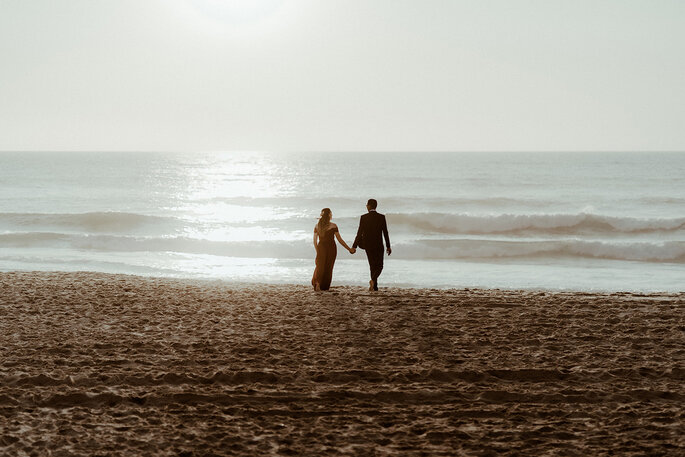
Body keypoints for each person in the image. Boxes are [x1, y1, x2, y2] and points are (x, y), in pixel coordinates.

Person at [351, 199, 391, 291]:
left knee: (372, 265)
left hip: (368, 245)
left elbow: (359, 233)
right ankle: (373, 282)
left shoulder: (364, 217)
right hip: (378, 245)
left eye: (367, 205)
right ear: (375, 206)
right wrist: (388, 246)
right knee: (380, 265)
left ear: (369, 206)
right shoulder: (381, 217)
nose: (366, 207)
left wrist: (354, 246)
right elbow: (385, 233)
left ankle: (374, 285)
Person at [312, 208, 354, 291]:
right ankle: (324, 286)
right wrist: (349, 249)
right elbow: (340, 239)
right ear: (329, 215)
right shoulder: (333, 226)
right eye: (331, 213)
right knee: (329, 266)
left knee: (320, 266)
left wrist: (318, 251)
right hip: (331, 248)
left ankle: (317, 283)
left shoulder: (317, 226)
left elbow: (314, 241)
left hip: (321, 247)